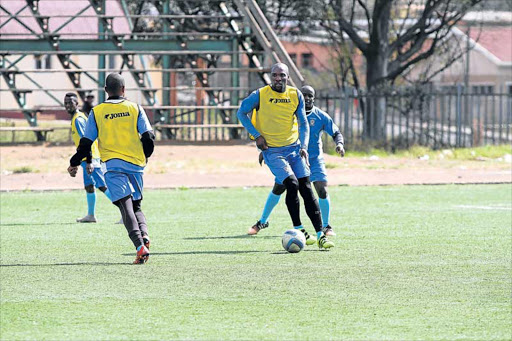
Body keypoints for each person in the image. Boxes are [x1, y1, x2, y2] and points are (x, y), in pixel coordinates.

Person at [237, 63, 334, 250]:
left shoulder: (295, 95)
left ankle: (321, 235)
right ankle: (299, 228)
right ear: (270, 77)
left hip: (294, 149)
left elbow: (303, 123)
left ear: (288, 77)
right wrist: (257, 135)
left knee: (306, 187)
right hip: (272, 151)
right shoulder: (260, 95)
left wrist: (304, 146)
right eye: (275, 75)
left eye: (282, 75)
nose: (278, 78)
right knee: (291, 184)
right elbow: (241, 112)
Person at [67, 73, 155, 264]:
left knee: (125, 205)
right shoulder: (135, 108)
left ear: (106, 91)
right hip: (136, 165)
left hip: (114, 166)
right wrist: (145, 157)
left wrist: (74, 161)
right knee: (136, 204)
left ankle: (140, 246)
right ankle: (145, 235)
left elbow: (86, 143)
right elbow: (148, 136)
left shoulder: (97, 112)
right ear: (124, 89)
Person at [248, 85, 345, 237]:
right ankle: (262, 221)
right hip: (292, 158)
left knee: (321, 189)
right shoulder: (289, 114)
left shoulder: (320, 116)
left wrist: (339, 144)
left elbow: (336, 132)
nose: (306, 98)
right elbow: (273, 132)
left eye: (310, 96)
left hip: (314, 160)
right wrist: (264, 151)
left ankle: (326, 226)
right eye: (304, 95)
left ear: (314, 98)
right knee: (279, 188)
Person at [65, 92, 112, 223]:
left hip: (91, 158)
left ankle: (126, 212)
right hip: (86, 159)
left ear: (77, 104)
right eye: (66, 103)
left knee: (102, 186)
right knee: (89, 186)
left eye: (70, 102)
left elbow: (87, 141)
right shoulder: (77, 118)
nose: (67, 105)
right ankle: (91, 216)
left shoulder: (78, 119)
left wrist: (90, 161)